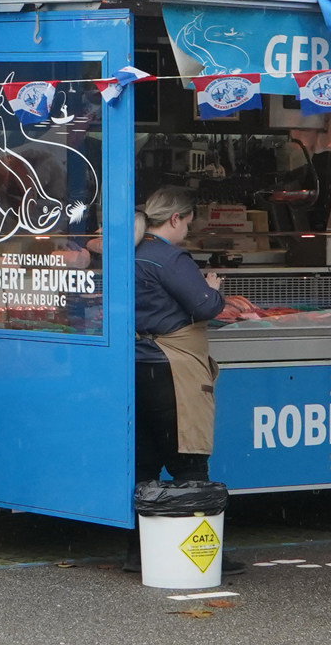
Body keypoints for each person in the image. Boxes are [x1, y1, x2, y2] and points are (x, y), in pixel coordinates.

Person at [126, 187, 238, 574]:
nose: (187, 230)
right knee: (189, 461)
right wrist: (213, 290)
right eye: (188, 223)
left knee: (144, 465)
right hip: (172, 368)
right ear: (175, 219)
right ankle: (203, 556)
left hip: (137, 365)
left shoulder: (132, 252)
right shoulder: (169, 258)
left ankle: (139, 552)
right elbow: (204, 306)